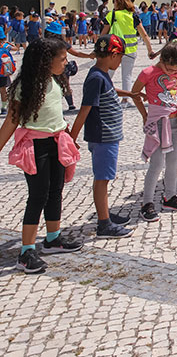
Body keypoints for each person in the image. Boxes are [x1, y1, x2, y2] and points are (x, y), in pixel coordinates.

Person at [0, 37, 83, 273]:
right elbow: (11, 122)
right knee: (38, 196)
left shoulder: (55, 81)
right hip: (35, 147)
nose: (66, 63)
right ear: (46, 61)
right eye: (63, 59)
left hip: (57, 142)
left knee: (56, 190)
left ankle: (53, 238)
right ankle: (26, 252)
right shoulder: (25, 87)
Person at [69, 34, 133, 238]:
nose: (121, 60)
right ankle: (104, 224)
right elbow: (84, 110)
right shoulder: (96, 77)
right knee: (102, 178)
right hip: (103, 136)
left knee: (105, 177)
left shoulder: (101, 74)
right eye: (121, 56)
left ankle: (104, 213)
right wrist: (71, 138)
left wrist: (130, 94)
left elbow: (110, 90)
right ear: (113, 55)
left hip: (109, 135)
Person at [132, 40, 177, 222]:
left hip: (175, 122)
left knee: (173, 162)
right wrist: (144, 114)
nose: (174, 72)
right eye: (170, 69)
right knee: (157, 164)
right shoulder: (148, 73)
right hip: (158, 123)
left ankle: (170, 196)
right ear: (162, 59)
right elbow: (134, 93)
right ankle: (147, 202)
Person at [101, 0, 155, 103]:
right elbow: (144, 34)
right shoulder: (133, 15)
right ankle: (125, 99)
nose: (113, 3)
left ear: (118, 2)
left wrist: (99, 48)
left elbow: (103, 33)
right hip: (130, 50)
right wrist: (150, 50)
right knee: (127, 75)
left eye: (114, 1)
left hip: (115, 50)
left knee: (108, 73)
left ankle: (102, 95)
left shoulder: (112, 15)